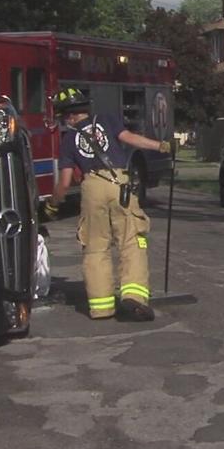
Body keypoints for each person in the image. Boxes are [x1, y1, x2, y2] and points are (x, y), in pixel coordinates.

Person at [48, 88, 175, 321]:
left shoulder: (68, 140)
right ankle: (133, 298)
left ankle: (101, 307)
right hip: (119, 183)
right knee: (131, 240)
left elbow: (64, 182)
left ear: (68, 116)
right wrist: (160, 146)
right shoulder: (106, 120)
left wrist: (53, 204)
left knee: (95, 247)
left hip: (92, 187)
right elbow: (131, 139)